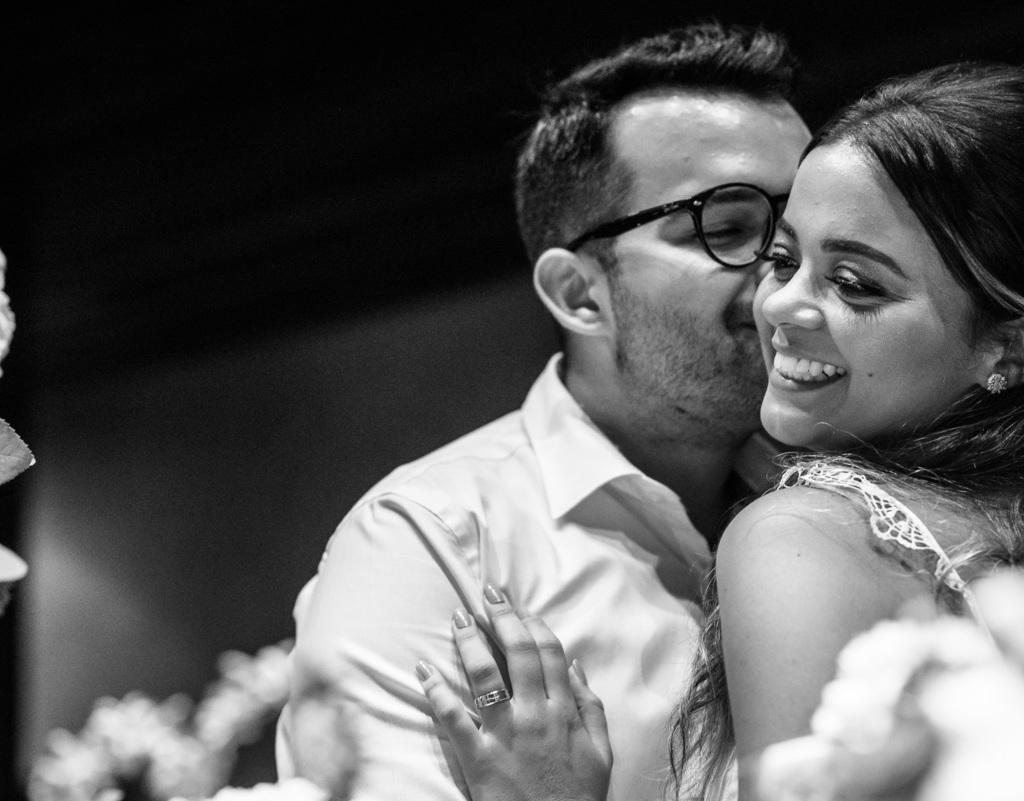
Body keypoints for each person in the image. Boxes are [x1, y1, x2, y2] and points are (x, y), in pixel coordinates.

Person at [417, 61, 1024, 801]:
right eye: (784, 257)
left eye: (855, 283)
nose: (783, 305)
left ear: (1011, 347)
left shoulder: (800, 535)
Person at [276, 22, 812, 801]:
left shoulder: (865, 498)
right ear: (577, 293)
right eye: (728, 228)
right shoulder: (431, 545)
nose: (786, 280)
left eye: (802, 232)